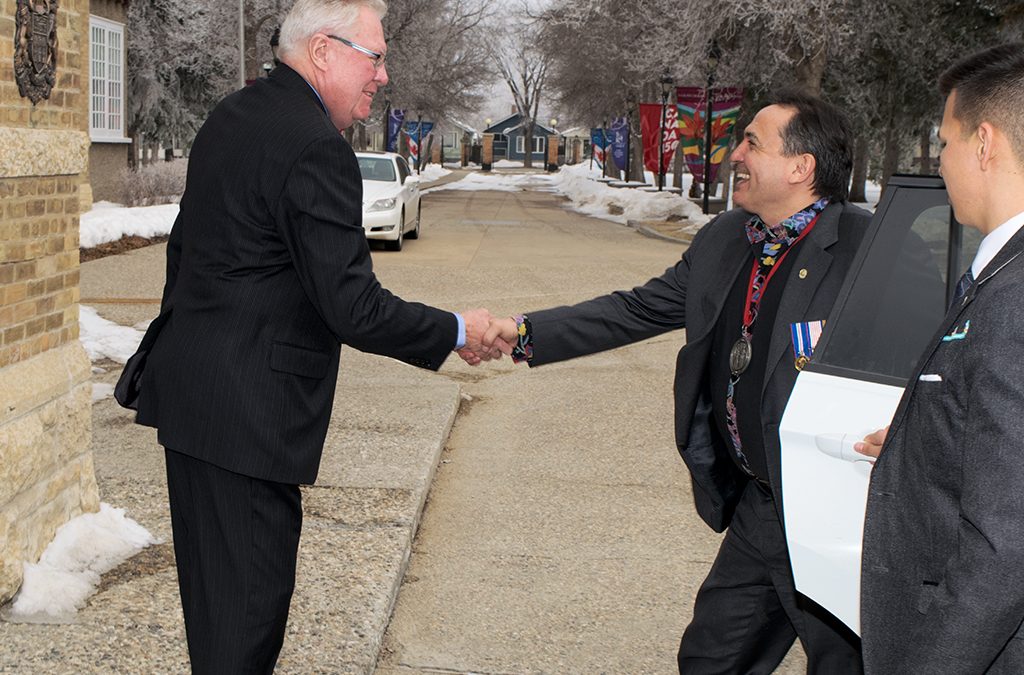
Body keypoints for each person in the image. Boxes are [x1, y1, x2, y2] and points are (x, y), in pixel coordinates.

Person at [119, 1, 498, 671]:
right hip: (248, 424)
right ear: (323, 50)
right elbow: (352, 305)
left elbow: (186, 253)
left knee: (218, 624)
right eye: (375, 57)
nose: (383, 75)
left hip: (195, 406)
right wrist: (457, 329)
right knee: (243, 635)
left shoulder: (234, 117)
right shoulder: (314, 146)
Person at [483, 90, 868, 673]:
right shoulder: (726, 237)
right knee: (711, 657)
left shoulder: (866, 249)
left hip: (834, 513)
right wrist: (524, 332)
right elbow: (636, 310)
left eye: (751, 143)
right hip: (763, 508)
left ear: (801, 167)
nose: (734, 153)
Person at [858, 43, 1024, 673]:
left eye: (945, 140)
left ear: (985, 143)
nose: (942, 159)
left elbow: (1006, 544)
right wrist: (920, 439)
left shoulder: (1013, 298)